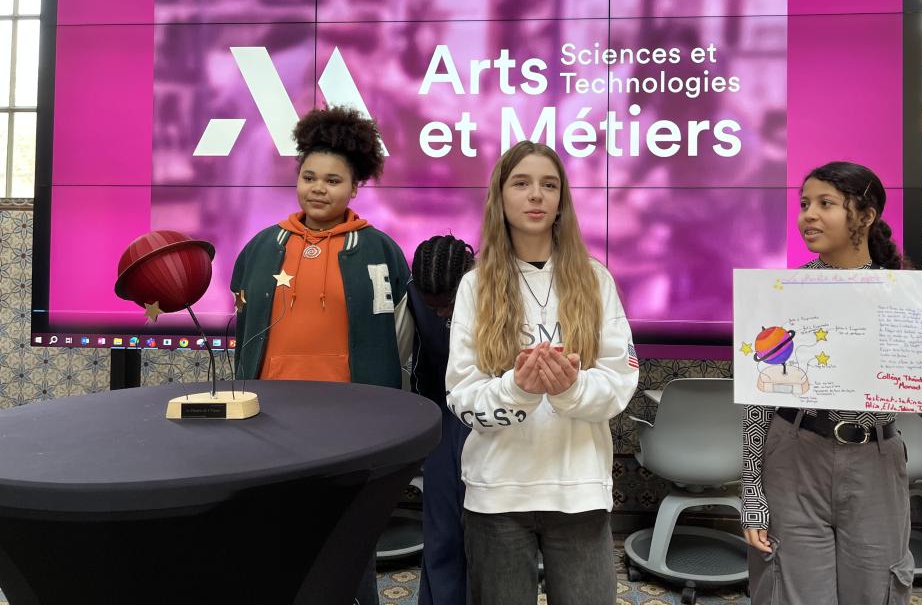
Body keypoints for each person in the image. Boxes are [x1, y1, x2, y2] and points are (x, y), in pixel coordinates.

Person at [742, 161, 922, 605]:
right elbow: (757, 404)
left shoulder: (909, 293)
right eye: (804, 204)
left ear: (865, 216)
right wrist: (753, 494)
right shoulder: (783, 291)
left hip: (876, 461)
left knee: (877, 590)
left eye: (825, 204)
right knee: (791, 589)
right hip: (794, 454)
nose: (808, 214)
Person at [231, 105, 412, 605]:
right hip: (270, 415)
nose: (318, 187)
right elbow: (243, 328)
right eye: (309, 176)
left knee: (350, 531)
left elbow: (401, 337)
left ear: (356, 187)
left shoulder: (381, 250)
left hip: (351, 418)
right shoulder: (262, 247)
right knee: (276, 528)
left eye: (333, 179)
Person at [445, 141, 639, 605]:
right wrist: (519, 389)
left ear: (561, 201)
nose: (536, 195)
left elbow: (619, 384)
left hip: (579, 492)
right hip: (497, 495)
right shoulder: (475, 284)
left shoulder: (596, 280)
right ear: (501, 197)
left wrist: (570, 388)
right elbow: (461, 397)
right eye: (522, 183)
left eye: (548, 185)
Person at [407, 234, 476, 605]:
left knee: (484, 537)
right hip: (442, 419)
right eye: (430, 306)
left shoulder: (493, 289)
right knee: (442, 534)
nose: (441, 314)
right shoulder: (415, 292)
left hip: (490, 420)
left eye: (447, 305)